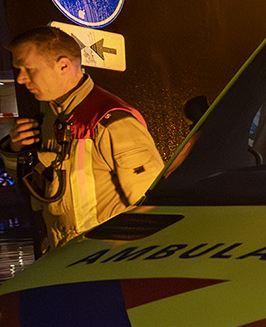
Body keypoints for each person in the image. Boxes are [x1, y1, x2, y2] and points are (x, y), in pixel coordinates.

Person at [7, 25, 164, 252]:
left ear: (63, 66)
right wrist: (16, 150)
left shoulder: (111, 120)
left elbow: (151, 207)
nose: (21, 79)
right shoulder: (50, 118)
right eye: (18, 69)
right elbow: (37, 191)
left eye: (29, 69)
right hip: (71, 264)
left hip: (109, 266)